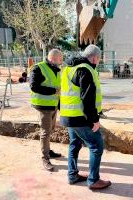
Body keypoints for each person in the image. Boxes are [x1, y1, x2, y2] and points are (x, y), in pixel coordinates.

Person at [60, 44, 111, 190]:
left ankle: (72, 175)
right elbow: (87, 98)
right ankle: (93, 180)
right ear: (94, 58)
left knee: (74, 144)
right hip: (80, 117)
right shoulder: (86, 70)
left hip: (68, 116)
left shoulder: (70, 68)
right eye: (99, 59)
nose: (99, 62)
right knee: (96, 145)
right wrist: (94, 120)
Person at [30, 49, 63, 171]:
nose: (62, 61)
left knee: (51, 129)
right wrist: (53, 91)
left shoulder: (56, 70)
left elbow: (58, 89)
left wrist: (60, 107)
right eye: (60, 59)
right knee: (45, 132)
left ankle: (48, 151)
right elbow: (34, 86)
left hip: (53, 105)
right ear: (54, 58)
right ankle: (45, 158)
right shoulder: (38, 68)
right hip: (43, 106)